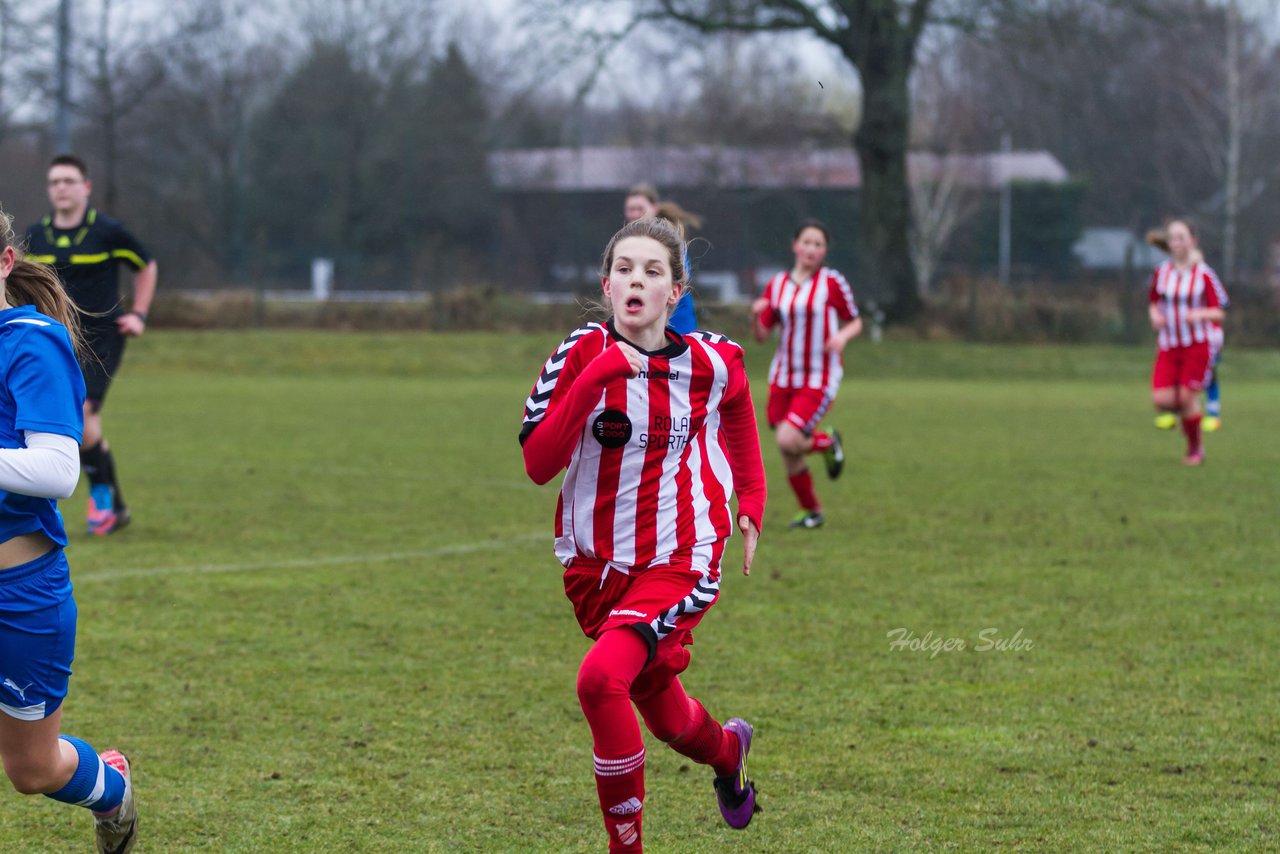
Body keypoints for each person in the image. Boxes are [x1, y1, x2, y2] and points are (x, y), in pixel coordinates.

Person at [520, 217, 765, 852]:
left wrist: (754, 497)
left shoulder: (711, 360)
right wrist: (597, 378)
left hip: (683, 555)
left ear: (674, 293)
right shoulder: (576, 355)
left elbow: (738, 406)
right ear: (607, 285)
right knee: (663, 712)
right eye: (625, 269)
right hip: (596, 568)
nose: (637, 280)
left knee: (601, 681)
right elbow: (539, 465)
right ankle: (729, 750)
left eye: (653, 271)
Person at [0, 207, 137, 852]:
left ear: (5, 263)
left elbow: (58, 470)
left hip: (19, 594)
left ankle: (110, 789)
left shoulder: (29, 340)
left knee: (31, 770)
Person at [24, 155, 158, 536]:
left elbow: (146, 265)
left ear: (86, 187)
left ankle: (102, 500)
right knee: (64, 421)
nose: (60, 188)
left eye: (68, 180)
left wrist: (140, 314)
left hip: (100, 338)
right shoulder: (37, 235)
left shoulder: (109, 232)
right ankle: (113, 505)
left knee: (82, 419)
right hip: (54, 340)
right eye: (54, 182)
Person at [751, 219, 861, 529]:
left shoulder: (831, 282)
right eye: (807, 242)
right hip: (783, 376)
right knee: (788, 449)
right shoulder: (777, 284)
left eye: (819, 244)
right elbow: (762, 335)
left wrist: (842, 337)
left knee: (789, 438)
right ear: (795, 245)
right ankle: (812, 511)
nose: (812, 249)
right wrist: (756, 314)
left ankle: (826, 444)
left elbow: (855, 321)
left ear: (824, 251)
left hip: (819, 376)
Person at [1146, 218, 1227, 465]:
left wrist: (1199, 314)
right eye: (1172, 238)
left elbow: (1220, 311)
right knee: (1161, 400)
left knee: (1185, 398)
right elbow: (1153, 301)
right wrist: (1155, 317)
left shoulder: (1204, 274)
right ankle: (1191, 416)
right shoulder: (1162, 272)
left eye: (1182, 237)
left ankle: (1195, 450)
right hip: (1169, 345)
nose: (1176, 242)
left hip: (1197, 345)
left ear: (1193, 241)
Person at [623, 183, 698, 334]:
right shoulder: (627, 244)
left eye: (640, 209)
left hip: (678, 331)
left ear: (654, 208)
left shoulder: (670, 241)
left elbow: (681, 278)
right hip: (647, 333)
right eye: (631, 209)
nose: (635, 214)